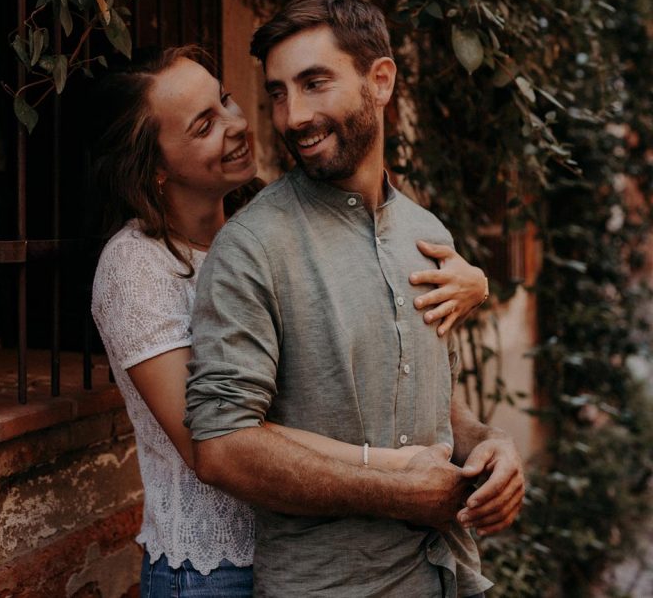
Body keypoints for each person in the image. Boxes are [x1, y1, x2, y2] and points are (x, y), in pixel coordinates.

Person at [89, 45, 491, 597]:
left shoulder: (271, 229)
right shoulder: (135, 268)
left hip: (318, 553)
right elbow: (216, 441)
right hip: (217, 571)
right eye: (205, 125)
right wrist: (390, 468)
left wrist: (474, 280)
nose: (236, 125)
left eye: (225, 100)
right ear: (154, 167)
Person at [184, 0, 525, 597]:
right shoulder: (252, 246)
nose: (292, 117)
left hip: (446, 578)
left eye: (315, 83)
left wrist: (492, 448)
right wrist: (397, 491)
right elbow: (223, 445)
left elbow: (438, 407)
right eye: (279, 93)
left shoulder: (429, 235)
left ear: (381, 80)